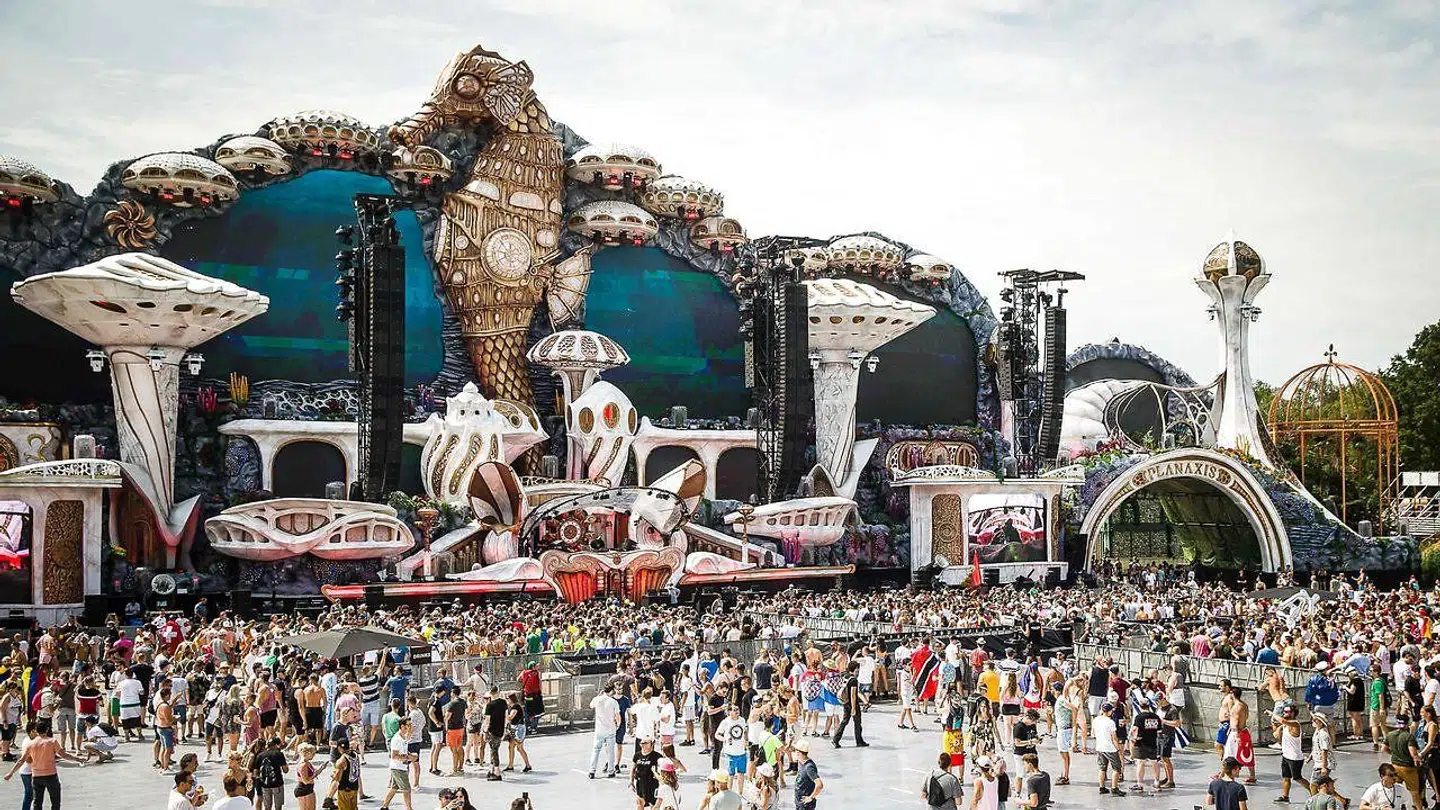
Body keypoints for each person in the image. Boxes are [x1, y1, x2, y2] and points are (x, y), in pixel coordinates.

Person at [3, 720, 82, 810]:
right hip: (51, 776)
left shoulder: (31, 744)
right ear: (47, 730)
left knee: (37, 803)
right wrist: (78, 759)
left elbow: (21, 760)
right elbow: (64, 755)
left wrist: (11, 773)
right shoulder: (52, 741)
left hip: (36, 777)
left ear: (36, 730)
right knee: (55, 802)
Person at [1274, 704, 1311, 803]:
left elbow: (1282, 721)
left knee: (1298, 778)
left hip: (1295, 758)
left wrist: (1272, 713)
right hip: (1286, 756)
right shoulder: (1286, 725)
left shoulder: (1295, 723)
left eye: (1287, 712)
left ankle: (1315, 794)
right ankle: (1285, 797)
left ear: (1293, 713)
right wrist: (1278, 729)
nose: (1285, 713)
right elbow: (1280, 729)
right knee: (1286, 778)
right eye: (1284, 711)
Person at [1093, 702, 1127, 797]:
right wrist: (1118, 749)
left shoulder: (1096, 720)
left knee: (1102, 768)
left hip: (1100, 747)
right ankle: (1114, 788)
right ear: (1109, 711)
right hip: (1110, 748)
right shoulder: (1110, 722)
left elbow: (1093, 733)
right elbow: (1114, 738)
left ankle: (1102, 787)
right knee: (1117, 768)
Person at [381, 718, 415, 810]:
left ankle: (384, 807)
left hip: (400, 767)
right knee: (406, 789)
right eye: (409, 725)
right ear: (403, 726)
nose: (411, 726)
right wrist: (409, 757)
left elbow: (408, 739)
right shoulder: (397, 739)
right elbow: (394, 756)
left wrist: (409, 755)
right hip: (398, 768)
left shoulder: (403, 736)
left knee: (394, 788)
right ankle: (409, 808)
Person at [831, 661, 866, 748]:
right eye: (857, 669)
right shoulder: (853, 680)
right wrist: (853, 708)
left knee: (844, 722)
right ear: (855, 669)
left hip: (845, 702)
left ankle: (836, 739)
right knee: (857, 723)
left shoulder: (845, 676)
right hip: (852, 704)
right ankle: (859, 741)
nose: (858, 671)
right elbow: (853, 695)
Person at [590, 682, 621, 779]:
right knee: (611, 752)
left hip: (599, 729)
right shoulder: (613, 702)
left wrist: (598, 696)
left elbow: (591, 705)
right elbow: (618, 716)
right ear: (611, 691)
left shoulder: (597, 700)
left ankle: (592, 771)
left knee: (596, 750)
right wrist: (617, 726)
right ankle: (611, 771)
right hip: (610, 729)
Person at [253, 735, 289, 810]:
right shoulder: (279, 754)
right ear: (276, 745)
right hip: (277, 784)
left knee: (267, 807)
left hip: (265, 785)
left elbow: (255, 773)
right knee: (278, 807)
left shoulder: (260, 755)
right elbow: (285, 770)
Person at [483, 687, 507, 781]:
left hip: (492, 730)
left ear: (490, 693)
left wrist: (485, 731)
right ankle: (492, 770)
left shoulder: (490, 705)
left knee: (494, 750)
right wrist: (505, 728)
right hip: (501, 729)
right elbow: (506, 716)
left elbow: (487, 720)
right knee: (494, 749)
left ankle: (497, 772)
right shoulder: (503, 702)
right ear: (498, 692)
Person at [632, 737, 662, 810]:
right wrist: (631, 781)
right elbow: (633, 769)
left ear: (652, 744)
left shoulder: (657, 756)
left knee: (653, 804)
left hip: (652, 783)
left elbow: (662, 770)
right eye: (642, 743)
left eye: (646, 743)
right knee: (639, 803)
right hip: (640, 783)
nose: (643, 745)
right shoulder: (637, 755)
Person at [792, 739, 822, 810]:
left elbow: (819, 785)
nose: (794, 752)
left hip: (805, 805)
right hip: (799, 802)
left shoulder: (809, 767)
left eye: (795, 750)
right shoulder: (801, 761)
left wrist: (810, 797)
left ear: (798, 752)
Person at [443, 685, 466, 775]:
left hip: (452, 729)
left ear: (453, 693)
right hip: (461, 727)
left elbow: (447, 717)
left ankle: (454, 769)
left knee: (453, 749)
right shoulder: (463, 702)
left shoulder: (452, 703)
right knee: (460, 748)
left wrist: (444, 717)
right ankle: (461, 767)